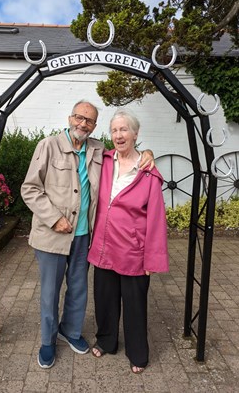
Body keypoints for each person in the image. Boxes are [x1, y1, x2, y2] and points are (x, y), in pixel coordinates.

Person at [21, 100, 154, 369]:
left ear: (94, 126)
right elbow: (30, 189)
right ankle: (47, 341)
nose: (83, 124)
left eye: (89, 120)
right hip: (52, 235)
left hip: (84, 236)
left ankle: (69, 330)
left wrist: (147, 152)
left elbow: (126, 159)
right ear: (70, 118)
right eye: (79, 118)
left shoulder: (97, 150)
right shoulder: (48, 146)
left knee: (79, 288)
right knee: (50, 292)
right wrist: (54, 218)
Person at [88, 108, 169, 374]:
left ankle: (138, 353)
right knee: (104, 299)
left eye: (124, 129)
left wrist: (152, 260)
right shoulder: (104, 159)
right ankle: (106, 340)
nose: (119, 135)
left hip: (134, 251)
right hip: (103, 246)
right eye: (114, 130)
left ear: (135, 134)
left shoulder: (149, 173)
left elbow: (156, 220)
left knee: (135, 306)